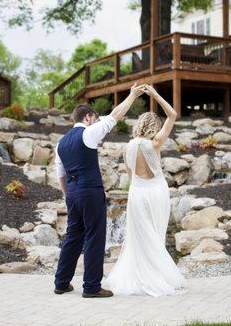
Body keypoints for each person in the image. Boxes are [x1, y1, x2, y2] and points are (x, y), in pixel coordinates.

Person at [53, 82, 147, 298]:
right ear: (87, 118)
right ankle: (92, 287)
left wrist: (69, 196)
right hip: (90, 190)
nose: (96, 122)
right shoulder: (89, 133)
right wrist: (132, 95)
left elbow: (61, 175)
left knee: (73, 237)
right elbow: (115, 115)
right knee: (95, 237)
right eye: (94, 119)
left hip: (73, 193)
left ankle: (61, 282)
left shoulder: (61, 142)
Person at [105, 85, 186, 297]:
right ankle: (157, 275)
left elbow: (132, 178)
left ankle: (140, 275)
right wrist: (156, 95)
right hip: (157, 192)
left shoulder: (127, 148)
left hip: (137, 193)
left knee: (138, 237)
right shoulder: (155, 143)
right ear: (154, 126)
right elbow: (173, 114)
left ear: (139, 125)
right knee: (155, 233)